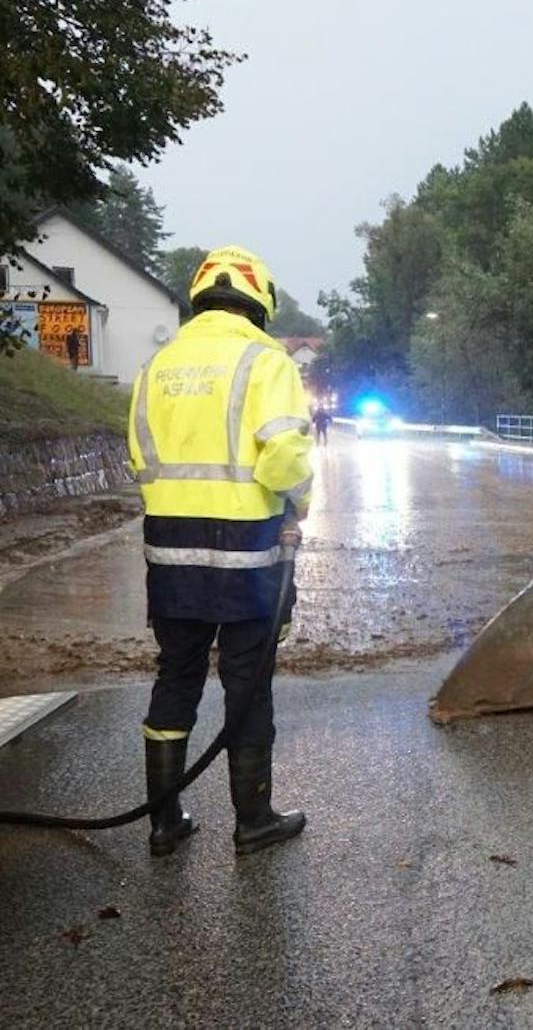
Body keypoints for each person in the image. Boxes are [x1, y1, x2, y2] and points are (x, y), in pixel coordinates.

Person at [129, 244, 314, 857]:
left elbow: (139, 457)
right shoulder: (266, 360)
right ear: (258, 301)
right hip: (246, 554)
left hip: (170, 549)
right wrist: (302, 498)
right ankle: (253, 820)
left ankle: (163, 822)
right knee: (247, 682)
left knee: (176, 675)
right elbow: (283, 456)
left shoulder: (158, 366)